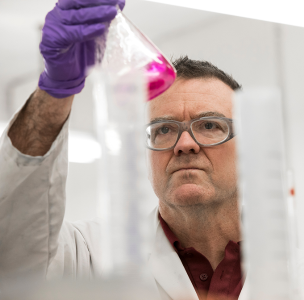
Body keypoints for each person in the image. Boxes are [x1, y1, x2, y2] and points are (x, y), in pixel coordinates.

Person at [0, 0, 246, 299]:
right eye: (163, 130)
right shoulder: (89, 254)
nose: (184, 145)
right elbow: (13, 254)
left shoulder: (301, 253)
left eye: (209, 126)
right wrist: (55, 90)